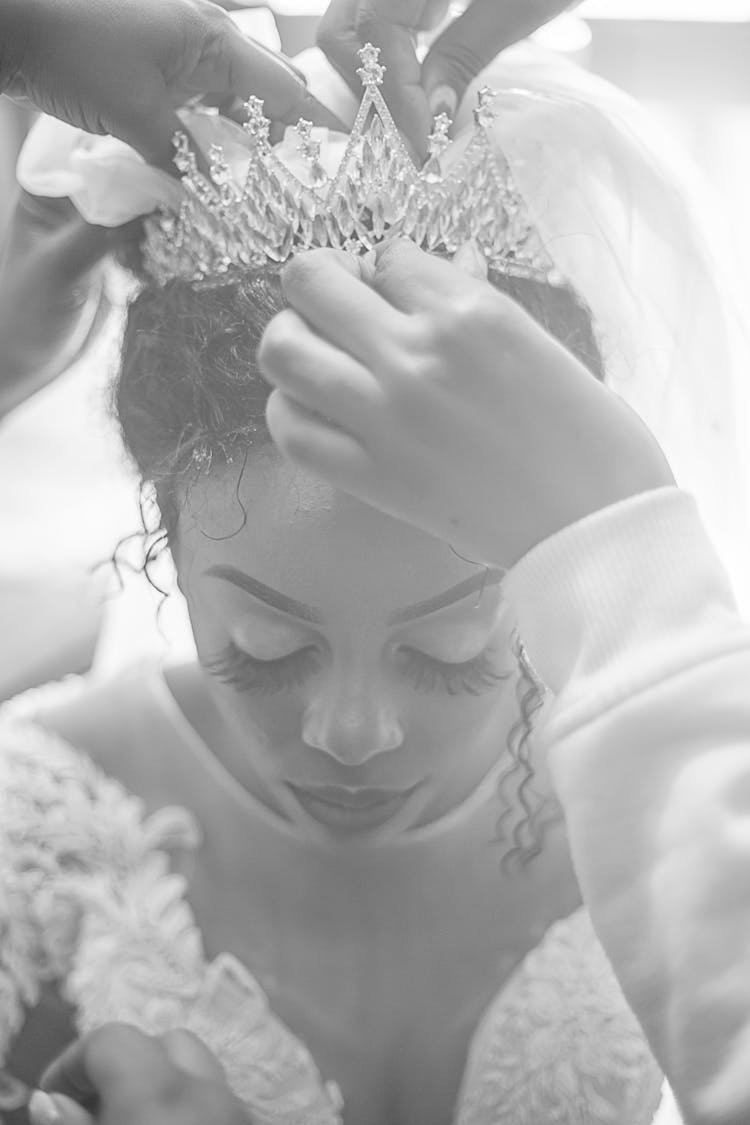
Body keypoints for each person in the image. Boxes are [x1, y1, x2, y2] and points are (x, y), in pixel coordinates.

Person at [2, 12, 750, 1125]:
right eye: (265, 648)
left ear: (551, 576)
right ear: (163, 537)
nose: (353, 734)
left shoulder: (699, 798)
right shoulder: (38, 817)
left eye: (452, 651)